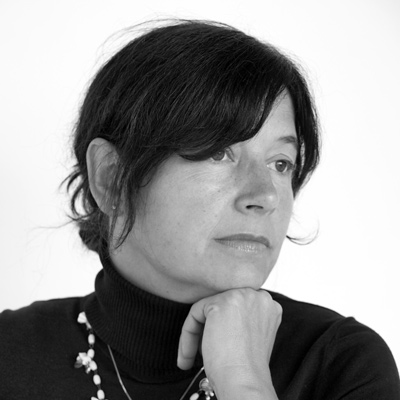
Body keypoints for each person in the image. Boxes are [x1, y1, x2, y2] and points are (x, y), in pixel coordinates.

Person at [0, 19, 399, 400]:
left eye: (281, 163)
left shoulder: (340, 364)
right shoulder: (9, 354)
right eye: (218, 153)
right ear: (111, 177)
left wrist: (243, 381)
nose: (265, 195)